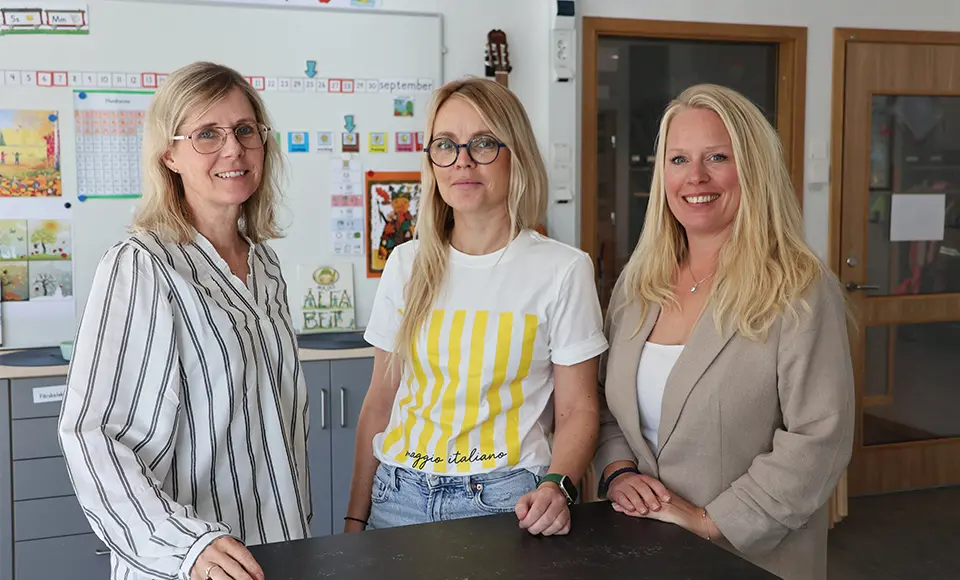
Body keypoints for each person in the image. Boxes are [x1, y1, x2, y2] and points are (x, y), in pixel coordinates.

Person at [58, 62, 309, 580]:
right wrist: (185, 547)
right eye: (207, 134)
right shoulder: (142, 264)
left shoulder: (264, 265)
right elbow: (93, 433)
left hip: (278, 549)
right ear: (169, 155)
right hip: (191, 565)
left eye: (245, 130)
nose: (233, 148)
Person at [593, 84, 855, 580]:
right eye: (678, 159)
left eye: (717, 156)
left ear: (752, 169)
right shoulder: (639, 281)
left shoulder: (798, 286)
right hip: (638, 547)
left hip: (749, 558)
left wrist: (711, 522)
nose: (695, 177)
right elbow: (606, 403)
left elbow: (820, 436)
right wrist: (618, 472)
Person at [345, 77, 608, 536]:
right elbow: (380, 403)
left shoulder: (563, 269)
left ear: (516, 153)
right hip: (398, 495)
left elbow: (578, 411)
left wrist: (555, 486)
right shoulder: (407, 262)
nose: (462, 160)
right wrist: (354, 517)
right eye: (445, 145)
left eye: (483, 143)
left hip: (508, 500)